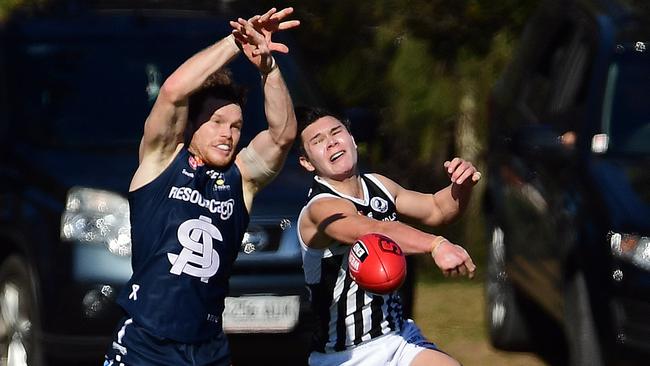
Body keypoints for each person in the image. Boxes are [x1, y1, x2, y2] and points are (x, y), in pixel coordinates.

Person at [103, 7, 299, 366]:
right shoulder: (161, 162)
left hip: (208, 349)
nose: (227, 133)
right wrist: (236, 41)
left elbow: (283, 135)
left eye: (236, 126)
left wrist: (268, 68)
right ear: (191, 126)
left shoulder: (242, 179)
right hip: (147, 345)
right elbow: (174, 92)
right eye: (216, 122)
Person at [296, 107, 479, 366]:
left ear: (352, 140)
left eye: (336, 133)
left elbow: (438, 209)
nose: (331, 143)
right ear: (306, 162)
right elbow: (373, 231)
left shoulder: (379, 185)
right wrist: (436, 245)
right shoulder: (319, 208)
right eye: (318, 141)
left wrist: (462, 185)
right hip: (343, 356)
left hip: (397, 338)